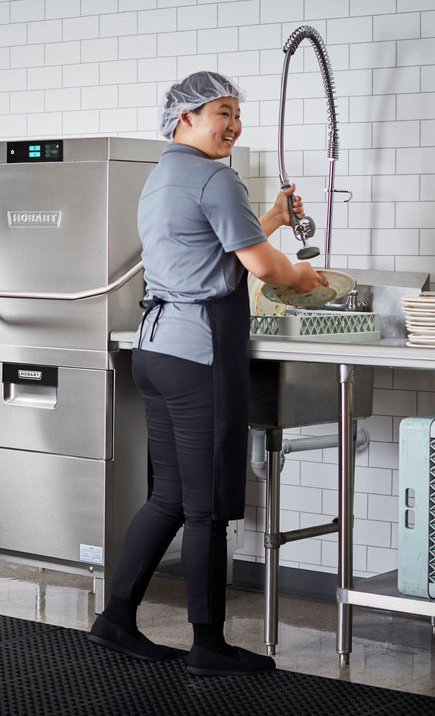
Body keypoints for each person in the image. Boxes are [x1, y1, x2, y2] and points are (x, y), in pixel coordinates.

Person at [88, 71, 326, 676]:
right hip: (199, 357)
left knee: (168, 497)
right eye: (223, 111)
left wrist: (269, 216)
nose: (235, 125)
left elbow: (211, 246)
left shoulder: (162, 176)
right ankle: (208, 646)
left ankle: (114, 620)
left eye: (238, 114)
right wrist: (303, 277)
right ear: (185, 118)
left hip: (157, 351)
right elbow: (265, 268)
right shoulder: (217, 178)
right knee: (207, 509)